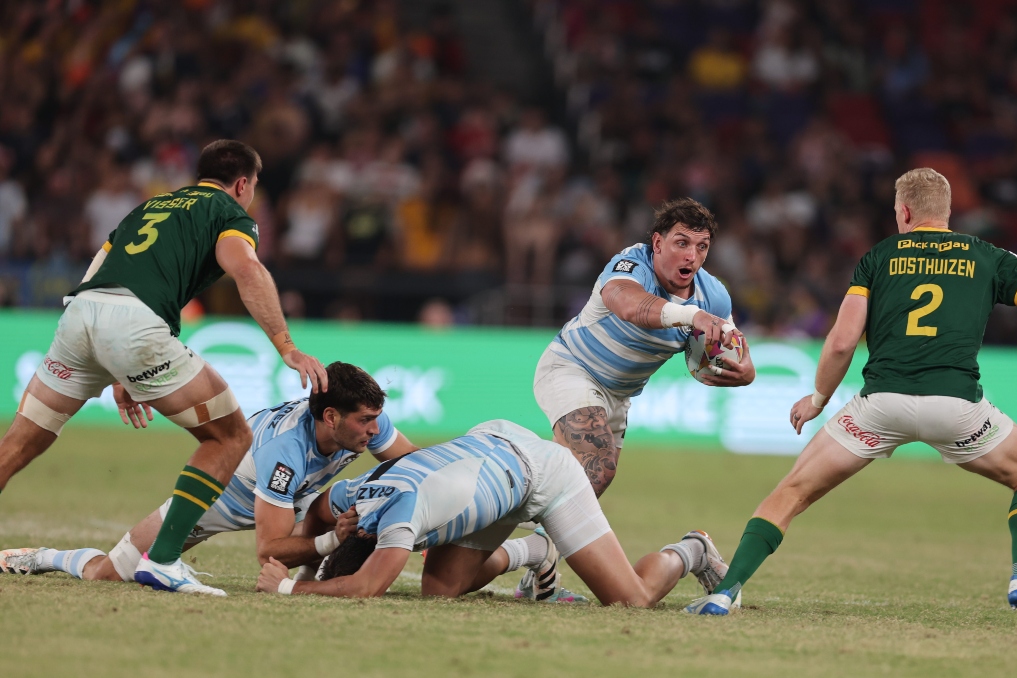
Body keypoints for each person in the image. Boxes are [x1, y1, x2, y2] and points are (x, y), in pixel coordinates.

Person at [687, 168, 1017, 625]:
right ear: (947, 213)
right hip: (957, 408)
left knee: (791, 493)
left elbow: (842, 341)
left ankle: (724, 593)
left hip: (879, 407)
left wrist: (818, 399)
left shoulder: (878, 257)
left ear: (903, 211)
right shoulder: (988, 256)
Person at [0, 140, 328, 595]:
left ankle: (163, 558)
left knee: (19, 442)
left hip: (80, 315)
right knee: (230, 436)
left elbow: (97, 270)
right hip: (134, 324)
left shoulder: (150, 206)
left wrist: (115, 369)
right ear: (242, 184)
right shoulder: (229, 213)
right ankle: (164, 559)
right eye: (252, 187)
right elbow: (247, 270)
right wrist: (286, 347)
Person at [0, 362, 429, 586]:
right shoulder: (285, 454)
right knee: (107, 575)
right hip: (212, 504)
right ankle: (43, 558)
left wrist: (427, 519)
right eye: (366, 421)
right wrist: (336, 538)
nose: (376, 430)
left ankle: (311, 583)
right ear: (331, 416)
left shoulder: (364, 426)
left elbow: (410, 466)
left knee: (339, 501)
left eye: (378, 419)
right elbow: (269, 551)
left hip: (291, 500)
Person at [255, 419, 730, 607]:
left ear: (384, 548)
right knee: (439, 590)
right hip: (487, 455)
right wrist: (320, 544)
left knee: (632, 599)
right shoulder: (355, 498)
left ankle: (692, 549)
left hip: (545, 473)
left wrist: (289, 585)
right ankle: (534, 550)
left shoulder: (399, 517)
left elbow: (366, 587)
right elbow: (318, 512)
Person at [534, 198, 756, 495]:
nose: (691, 255)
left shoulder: (713, 295)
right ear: (658, 243)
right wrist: (692, 315)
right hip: (572, 368)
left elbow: (732, 344)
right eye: (681, 243)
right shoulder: (631, 264)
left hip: (619, 396)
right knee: (597, 467)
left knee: (586, 490)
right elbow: (629, 305)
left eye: (701, 247)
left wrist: (746, 373)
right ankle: (503, 495)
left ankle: (515, 529)